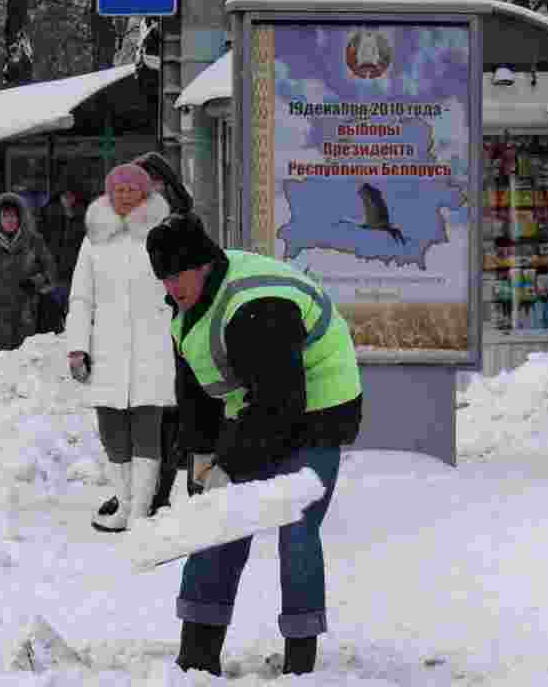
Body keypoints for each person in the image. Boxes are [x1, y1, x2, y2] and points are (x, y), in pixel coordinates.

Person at [145, 212, 363, 677]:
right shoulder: (186, 313)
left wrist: (231, 464)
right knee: (217, 521)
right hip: (262, 407)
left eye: (178, 274)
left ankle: (301, 665)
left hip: (320, 409)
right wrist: (203, 458)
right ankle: (197, 658)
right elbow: (197, 393)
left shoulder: (256, 305)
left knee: (296, 526)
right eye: (163, 277)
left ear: (203, 265)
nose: (172, 286)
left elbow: (281, 406)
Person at [64, 162, 175, 532]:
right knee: (112, 428)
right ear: (108, 195)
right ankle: (123, 506)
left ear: (146, 193)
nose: (125, 195)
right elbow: (81, 297)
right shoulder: (94, 238)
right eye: (118, 189)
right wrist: (77, 347)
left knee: (147, 428)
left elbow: (178, 291)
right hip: (107, 346)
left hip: (152, 345)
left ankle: (141, 511)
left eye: (132, 189)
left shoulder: (163, 234)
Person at [129, 151, 193, 515]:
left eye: (149, 182)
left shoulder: (179, 220)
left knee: (172, 409)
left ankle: (163, 490)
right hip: (143, 324)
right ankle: (141, 490)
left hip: (173, 321)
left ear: (162, 181)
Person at [0, 193, 58, 361]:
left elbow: (51, 272)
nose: (10, 220)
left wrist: (35, 283)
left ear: (20, 218)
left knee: (23, 368)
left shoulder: (34, 242)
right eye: (5, 216)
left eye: (13, 216)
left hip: (26, 316)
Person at [37, 183, 88, 331]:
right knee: (52, 324)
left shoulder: (83, 216)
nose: (67, 199)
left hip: (74, 276)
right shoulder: (48, 215)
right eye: (64, 195)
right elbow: (41, 245)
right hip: (53, 276)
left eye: (71, 195)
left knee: (74, 321)